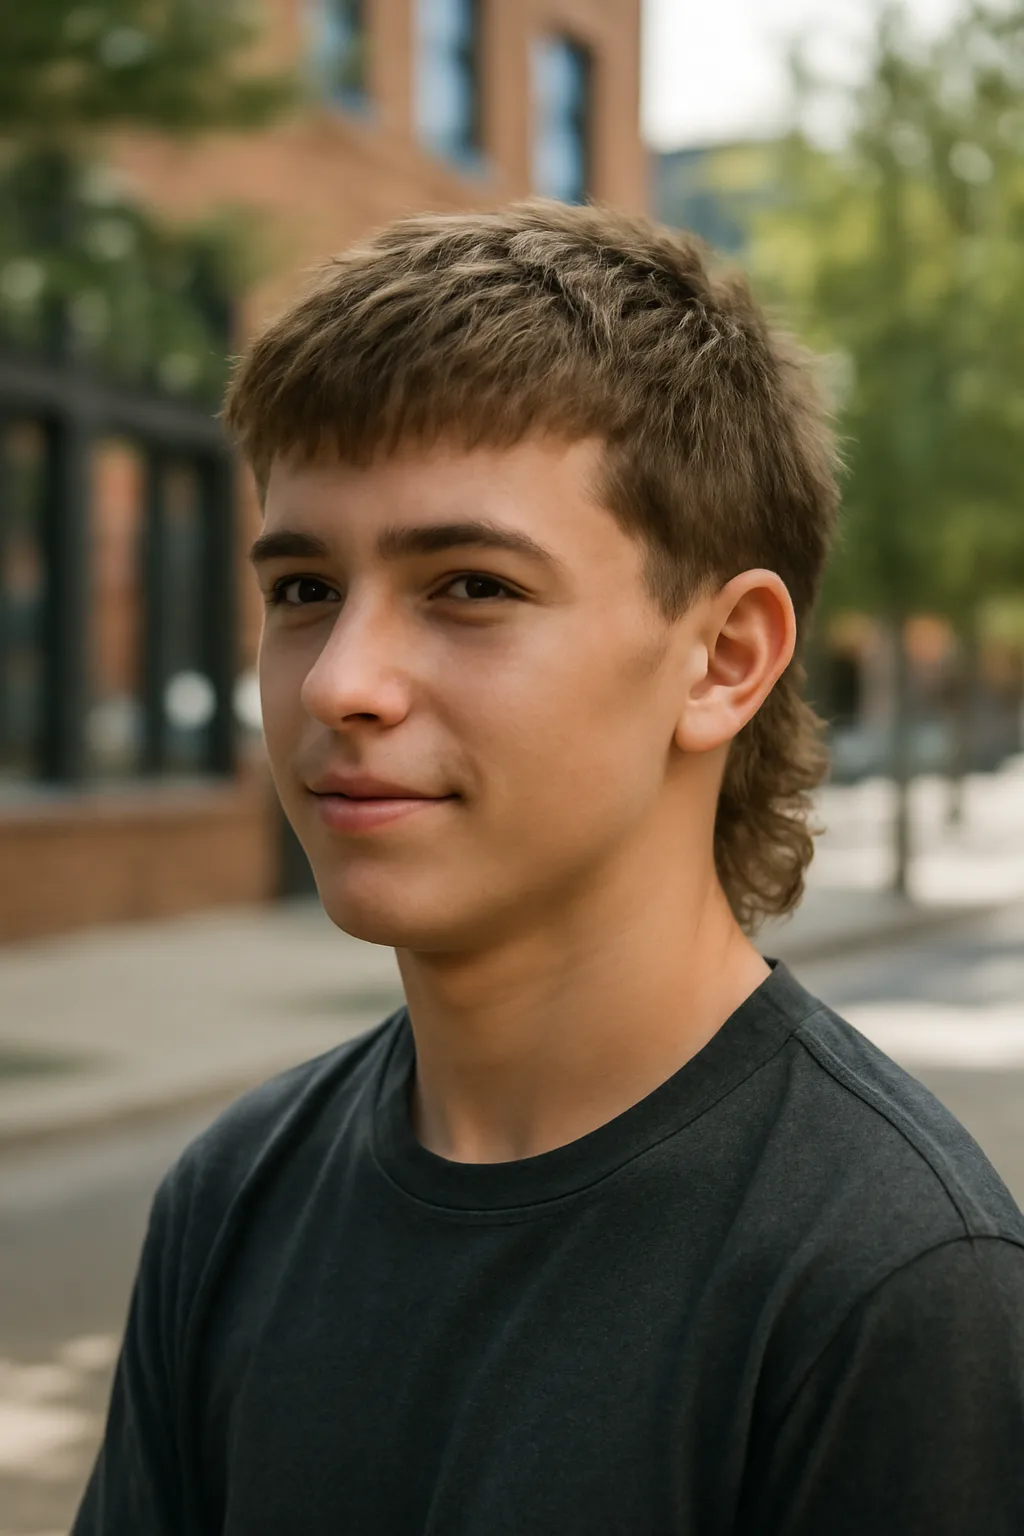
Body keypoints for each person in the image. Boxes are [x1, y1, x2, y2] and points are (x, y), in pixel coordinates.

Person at [74, 201, 1024, 1535]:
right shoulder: (234, 1196)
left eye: (469, 586)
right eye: (301, 590)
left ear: (724, 659)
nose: (341, 681)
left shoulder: (891, 1285)